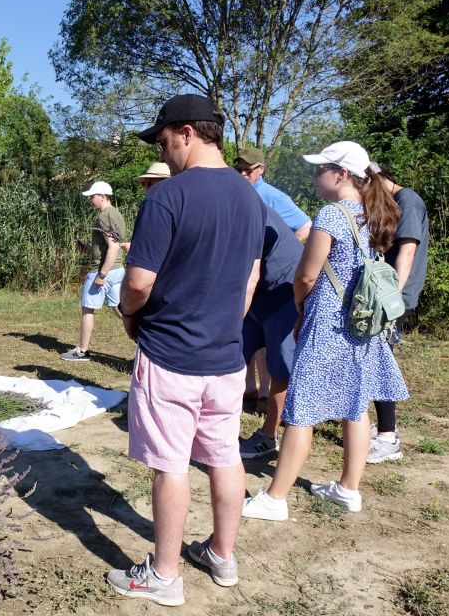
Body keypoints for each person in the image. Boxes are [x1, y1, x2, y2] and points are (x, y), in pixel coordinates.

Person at [106, 94, 264, 605]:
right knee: (223, 455)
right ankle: (222, 554)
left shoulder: (166, 198)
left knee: (170, 463)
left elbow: (138, 282)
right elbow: (250, 280)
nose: (162, 148)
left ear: (188, 133)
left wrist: (129, 316)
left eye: (163, 138)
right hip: (226, 357)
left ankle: (165, 575)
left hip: (171, 353)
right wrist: (224, 323)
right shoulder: (250, 198)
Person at [242, 141, 409, 522]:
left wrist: (300, 308)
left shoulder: (332, 215)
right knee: (357, 403)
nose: (314, 177)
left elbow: (306, 274)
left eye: (320, 170)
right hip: (362, 322)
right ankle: (349, 489)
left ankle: (275, 497)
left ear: (342, 174)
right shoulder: (374, 212)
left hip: (329, 322)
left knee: (302, 409)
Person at [234, 146, 312, 405]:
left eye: (248, 169)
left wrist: (278, 251)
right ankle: (251, 390)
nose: (243, 173)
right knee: (251, 340)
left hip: (278, 281)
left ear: (260, 169)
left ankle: (273, 395)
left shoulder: (272, 196)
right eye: (239, 169)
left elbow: (305, 226)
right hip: (256, 282)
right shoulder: (239, 194)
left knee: (274, 346)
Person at [367, 162, 429, 464]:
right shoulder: (392, 201)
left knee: (381, 359)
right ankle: (381, 429)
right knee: (377, 356)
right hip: (386, 294)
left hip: (395, 297)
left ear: (377, 179)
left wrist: (389, 299)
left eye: (366, 185)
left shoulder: (409, 202)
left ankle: (388, 438)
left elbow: (407, 252)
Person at [237, 205, 303, 459]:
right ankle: (216, 425)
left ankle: (269, 435)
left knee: (280, 368)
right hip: (259, 295)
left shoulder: (251, 213)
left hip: (283, 294)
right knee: (233, 356)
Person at [60, 181, 126, 362]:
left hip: (103, 271)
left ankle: (82, 351)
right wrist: (88, 248)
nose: (90, 200)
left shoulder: (104, 216)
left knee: (88, 309)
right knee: (121, 310)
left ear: (103, 196)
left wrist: (101, 274)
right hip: (118, 270)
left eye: (93, 196)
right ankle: (145, 349)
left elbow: (113, 247)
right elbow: (110, 245)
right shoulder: (117, 214)